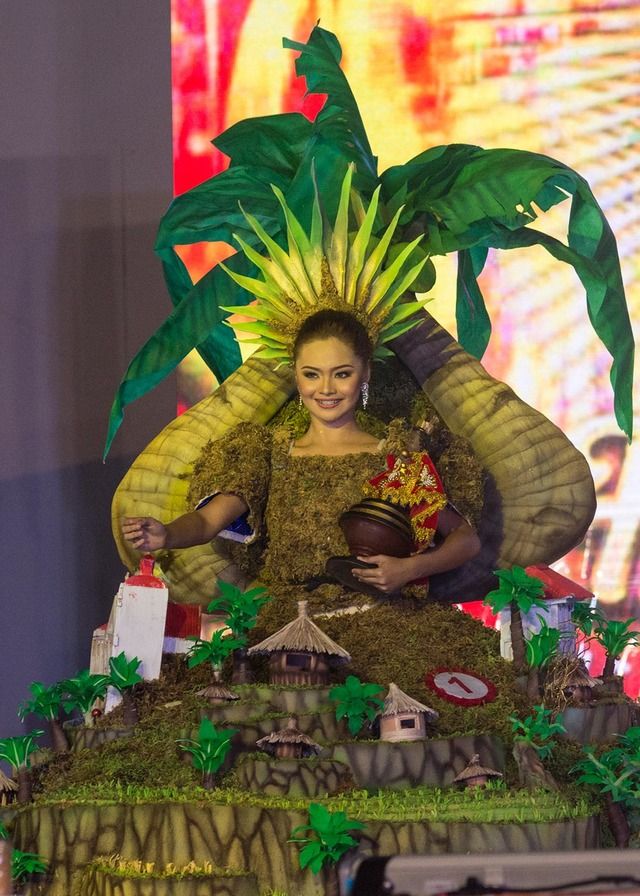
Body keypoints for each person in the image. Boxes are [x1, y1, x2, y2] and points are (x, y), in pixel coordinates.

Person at [123, 309, 480, 601]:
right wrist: (166, 535)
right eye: (312, 374)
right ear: (296, 375)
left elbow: (466, 539)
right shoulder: (267, 454)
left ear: (365, 374)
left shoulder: (398, 458)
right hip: (285, 625)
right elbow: (205, 523)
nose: (326, 389)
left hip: (379, 624)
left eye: (342, 374)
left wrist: (408, 570)